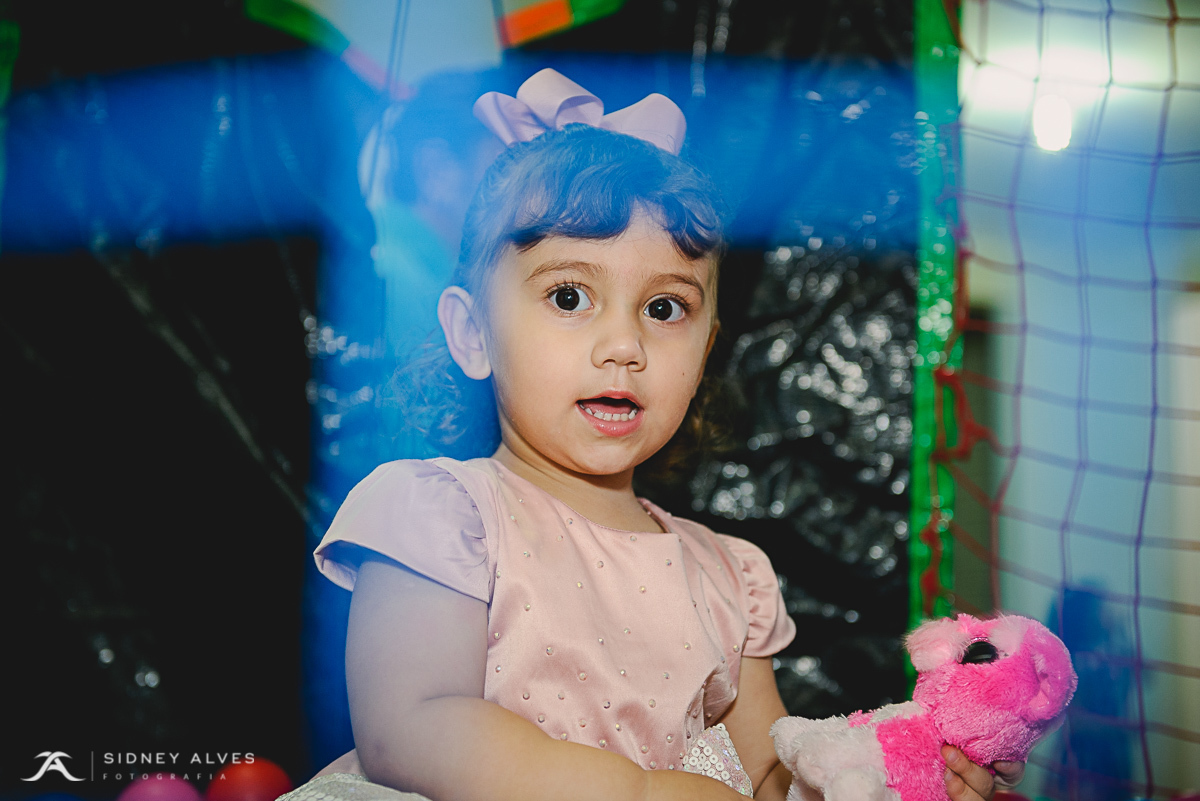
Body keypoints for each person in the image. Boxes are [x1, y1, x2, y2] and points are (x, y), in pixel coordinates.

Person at [298, 69, 1021, 801]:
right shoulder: (444, 518)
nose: (624, 344)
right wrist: (637, 790)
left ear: (706, 350)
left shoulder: (728, 579)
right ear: (471, 332)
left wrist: (886, 778)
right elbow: (412, 727)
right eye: (570, 296)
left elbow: (768, 779)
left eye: (666, 308)